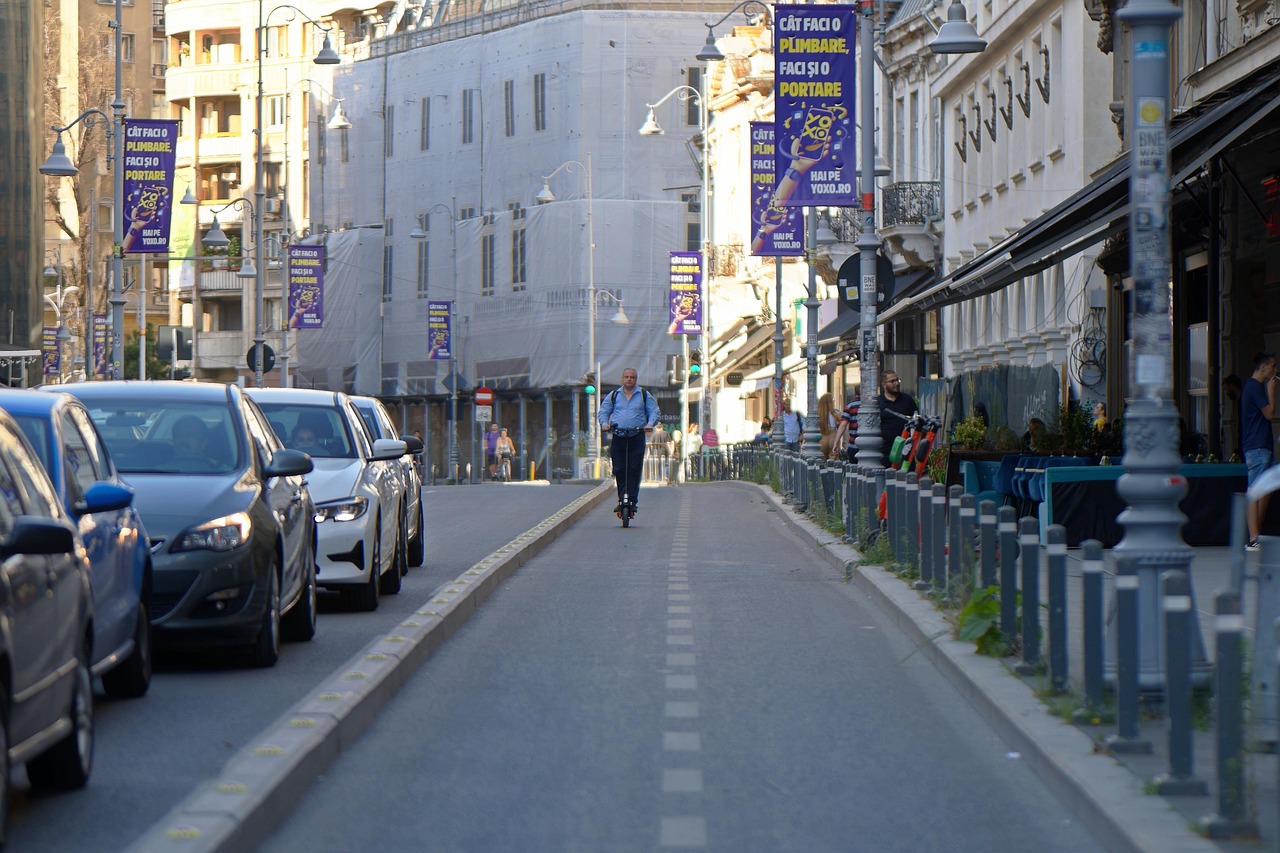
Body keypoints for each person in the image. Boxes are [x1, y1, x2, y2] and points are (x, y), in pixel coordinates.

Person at [597, 367, 661, 515]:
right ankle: (622, 499)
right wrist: (605, 423)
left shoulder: (644, 394)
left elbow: (654, 411)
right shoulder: (614, 395)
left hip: (636, 435)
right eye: (626, 377)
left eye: (632, 377)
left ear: (635, 379)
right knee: (619, 468)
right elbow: (604, 411)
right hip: (619, 435)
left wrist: (650, 424)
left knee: (634, 468)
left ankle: (632, 500)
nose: (629, 379)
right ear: (622, 379)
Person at [1242, 352, 1277, 550]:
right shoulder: (1254, 387)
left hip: (1262, 444)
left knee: (1266, 489)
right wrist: (1271, 390)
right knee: (1255, 490)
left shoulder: (1253, 387)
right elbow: (1269, 413)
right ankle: (1253, 536)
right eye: (1272, 366)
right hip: (1257, 446)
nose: (1274, 370)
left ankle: (1256, 533)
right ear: (1263, 367)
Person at [877, 371, 917, 467]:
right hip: (885, 451)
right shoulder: (879, 402)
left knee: (908, 477)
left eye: (897, 380)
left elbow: (916, 419)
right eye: (892, 381)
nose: (896, 383)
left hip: (906, 448)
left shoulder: (907, 399)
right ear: (884, 384)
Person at [1223, 374, 1243, 460]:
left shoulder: (1243, 401)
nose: (1226, 393)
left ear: (1231, 386)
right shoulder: (1239, 401)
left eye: (1225, 389)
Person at [836, 392, 860, 462]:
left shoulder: (850, 405)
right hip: (870, 446)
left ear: (855, 394)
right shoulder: (872, 405)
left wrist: (836, 442)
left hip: (853, 444)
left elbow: (843, 425)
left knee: (853, 470)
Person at [817, 392, 839, 460]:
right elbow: (842, 426)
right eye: (833, 400)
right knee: (834, 459)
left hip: (822, 437)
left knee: (823, 460)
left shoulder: (818, 415)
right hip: (834, 436)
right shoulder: (836, 413)